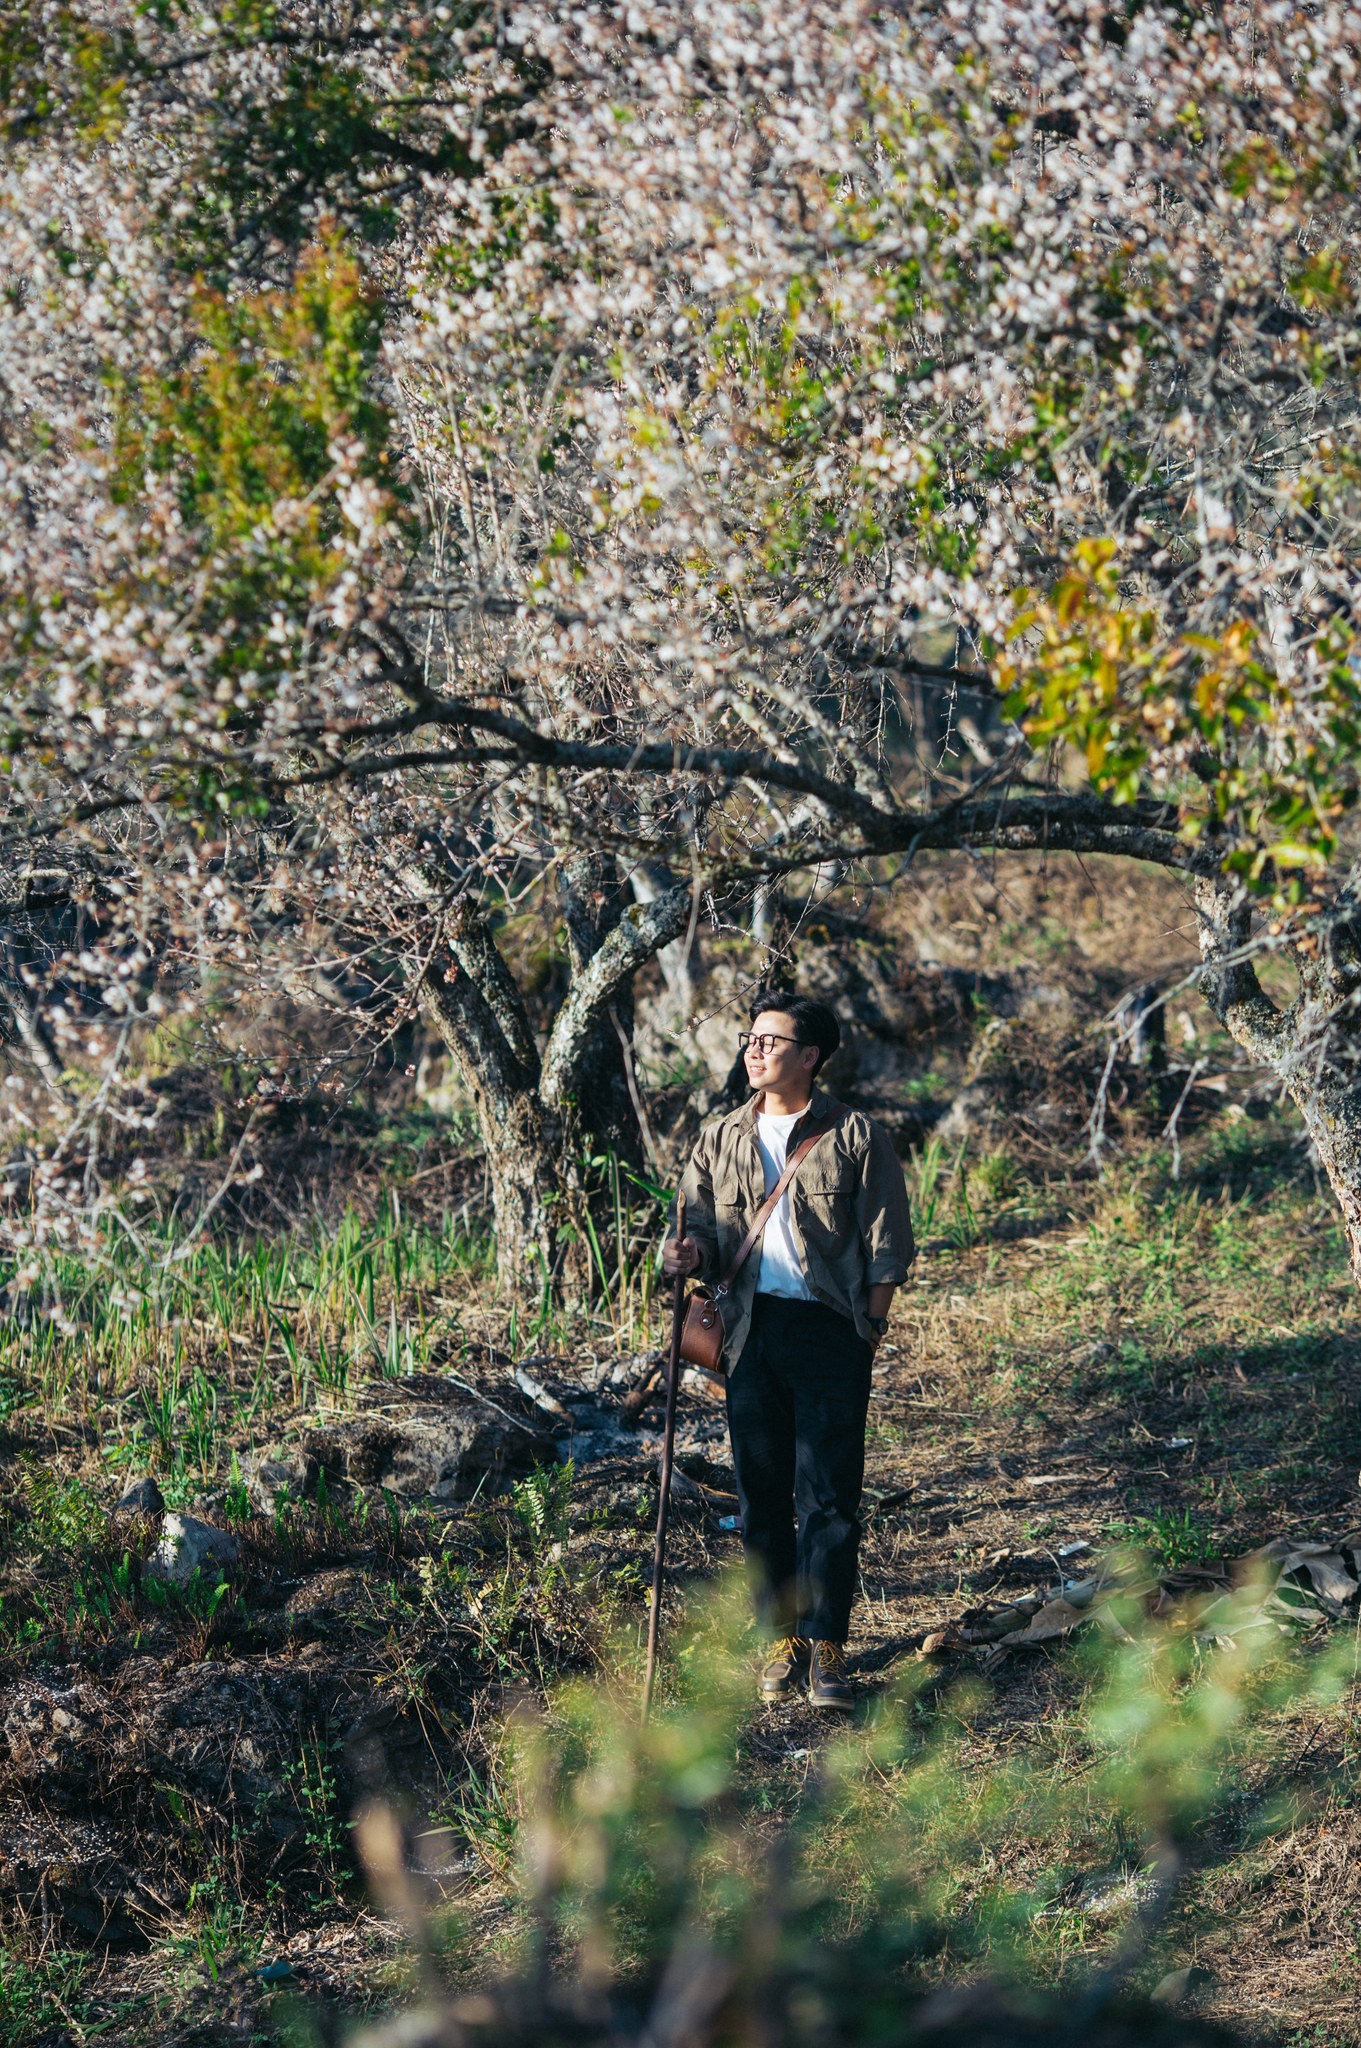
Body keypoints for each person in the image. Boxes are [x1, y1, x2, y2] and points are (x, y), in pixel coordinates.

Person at [663, 989, 915, 1708]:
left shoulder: (855, 1135)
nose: (755, 1050)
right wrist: (682, 1254)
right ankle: (778, 1639)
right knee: (760, 1495)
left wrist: (868, 1327)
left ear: (810, 1056)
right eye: (750, 1039)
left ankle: (827, 1645)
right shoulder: (719, 1136)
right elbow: (700, 1228)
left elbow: (886, 1240)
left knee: (829, 1495)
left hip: (830, 1329)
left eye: (771, 1042)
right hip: (747, 1331)